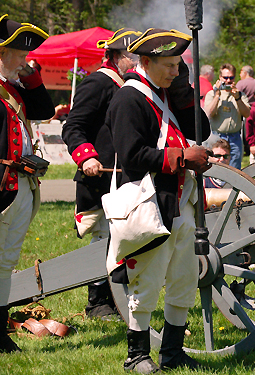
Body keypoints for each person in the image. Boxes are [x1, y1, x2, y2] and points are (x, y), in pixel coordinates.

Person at [106, 28, 211, 373]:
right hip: (150, 204)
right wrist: (182, 158)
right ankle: (136, 355)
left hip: (180, 201)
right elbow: (132, 154)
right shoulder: (129, 99)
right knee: (147, 283)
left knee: (183, 279)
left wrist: (183, 91)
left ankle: (173, 352)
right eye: (169, 66)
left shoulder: (165, 93)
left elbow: (203, 131)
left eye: (178, 65)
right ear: (146, 61)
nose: (175, 72)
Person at [61, 28, 141, 321]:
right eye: (133, 56)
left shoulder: (133, 85)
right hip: (101, 178)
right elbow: (72, 126)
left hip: (126, 178)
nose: (137, 61)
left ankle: (119, 299)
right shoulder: (98, 82)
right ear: (118, 56)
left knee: (125, 238)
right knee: (104, 239)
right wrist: (86, 156)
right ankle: (97, 302)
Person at [0, 14, 54, 353]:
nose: (25, 61)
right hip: (2, 187)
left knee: (6, 261)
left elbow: (44, 110)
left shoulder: (13, 86)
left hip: (19, 186)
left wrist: (30, 77)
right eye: (19, 55)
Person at [204, 63, 250, 169]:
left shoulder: (240, 95)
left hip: (234, 137)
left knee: (235, 169)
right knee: (214, 167)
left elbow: (247, 114)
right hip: (217, 136)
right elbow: (208, 114)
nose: (228, 81)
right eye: (225, 78)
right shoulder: (211, 94)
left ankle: (231, 186)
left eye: (231, 77)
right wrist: (217, 96)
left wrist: (237, 98)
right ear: (220, 78)